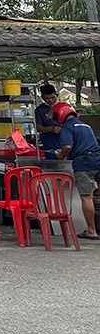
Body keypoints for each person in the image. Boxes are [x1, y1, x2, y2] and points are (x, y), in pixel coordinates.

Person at [50, 102, 100, 240]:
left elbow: (67, 147)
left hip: (84, 163)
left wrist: (60, 155)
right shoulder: (86, 125)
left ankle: (91, 231)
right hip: (97, 159)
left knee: (87, 197)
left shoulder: (67, 126)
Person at [34, 84, 62, 157]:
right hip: (49, 142)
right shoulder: (39, 110)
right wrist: (51, 129)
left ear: (57, 95)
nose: (50, 100)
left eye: (53, 97)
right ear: (42, 98)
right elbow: (38, 127)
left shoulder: (64, 107)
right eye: (47, 98)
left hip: (64, 141)